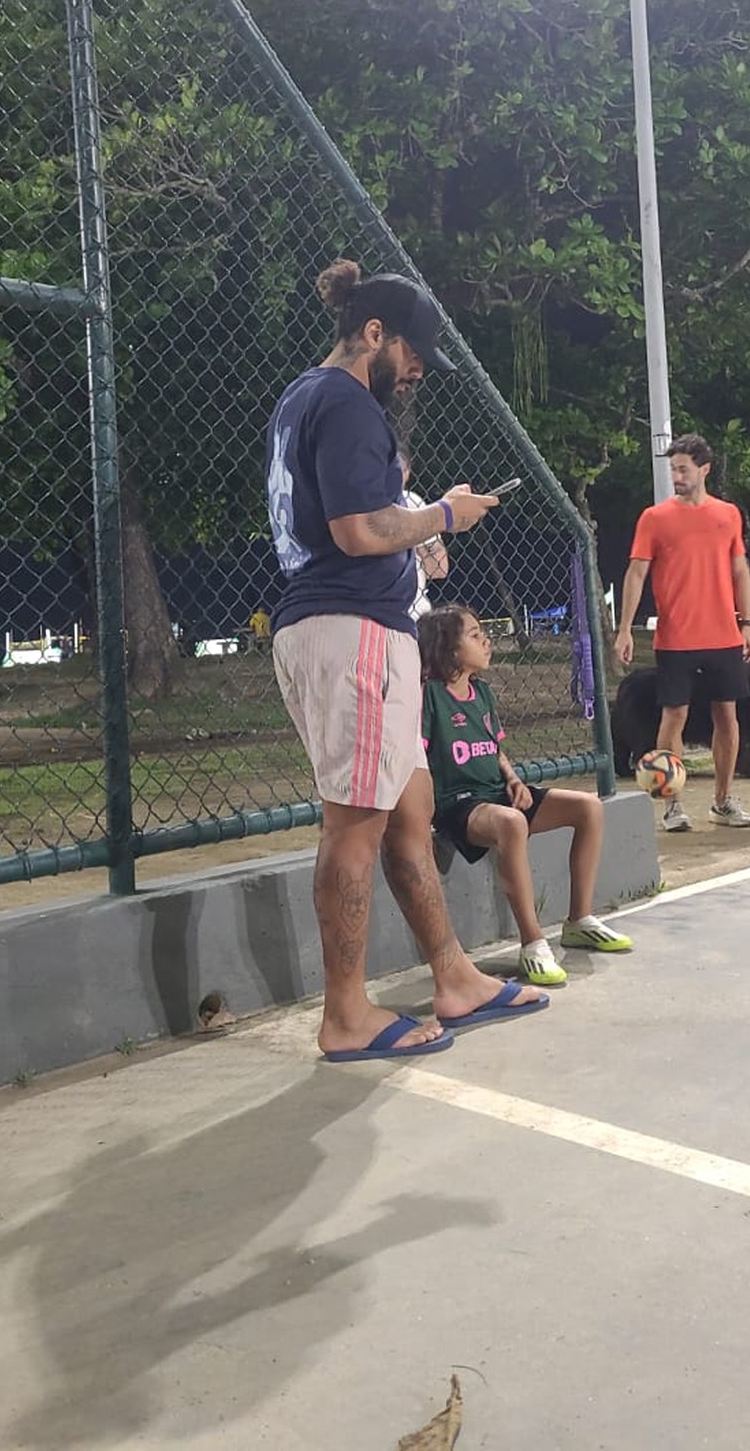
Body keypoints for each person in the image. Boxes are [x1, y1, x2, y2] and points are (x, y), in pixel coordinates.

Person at [266, 257, 548, 1062]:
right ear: (374, 333)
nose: (420, 368)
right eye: (414, 351)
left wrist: (427, 513)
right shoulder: (347, 400)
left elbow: (356, 515)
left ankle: (453, 974)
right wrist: (442, 517)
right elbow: (358, 530)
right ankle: (346, 1015)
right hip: (348, 627)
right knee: (354, 828)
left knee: (409, 816)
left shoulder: (305, 398)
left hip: (358, 628)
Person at [419, 603, 633, 986]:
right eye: (473, 635)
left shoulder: (481, 692)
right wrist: (420, 819)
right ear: (449, 650)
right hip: (458, 802)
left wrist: (514, 779)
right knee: (512, 822)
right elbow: (416, 757)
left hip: (495, 792)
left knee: (588, 807)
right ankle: (532, 943)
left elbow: (494, 747)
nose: (485, 640)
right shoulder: (430, 697)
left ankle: (579, 920)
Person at [613, 432, 750, 832]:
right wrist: (625, 629)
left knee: (726, 716)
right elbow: (637, 571)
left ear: (704, 469)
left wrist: (746, 623)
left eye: (683, 468)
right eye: (672, 468)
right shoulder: (655, 518)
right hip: (677, 639)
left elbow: (739, 569)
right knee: (673, 715)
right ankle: (673, 803)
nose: (676, 475)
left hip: (724, 636)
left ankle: (723, 801)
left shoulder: (727, 514)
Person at [398, 449, 449, 621]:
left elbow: (439, 569)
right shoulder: (410, 502)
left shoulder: (411, 501)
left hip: (413, 612)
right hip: (412, 611)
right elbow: (438, 567)